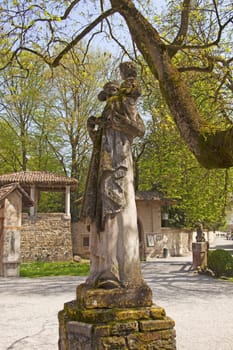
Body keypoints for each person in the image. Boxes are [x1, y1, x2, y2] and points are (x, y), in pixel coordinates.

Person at [81, 62, 145, 289]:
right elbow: (101, 145)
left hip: (119, 165)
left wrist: (122, 121)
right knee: (103, 211)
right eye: (106, 94)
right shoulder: (109, 111)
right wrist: (93, 131)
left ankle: (115, 270)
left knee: (114, 208)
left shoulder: (123, 104)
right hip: (105, 165)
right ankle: (102, 267)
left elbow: (139, 129)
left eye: (111, 92)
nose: (109, 98)